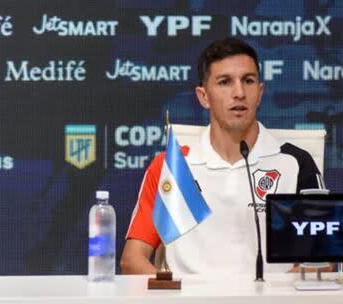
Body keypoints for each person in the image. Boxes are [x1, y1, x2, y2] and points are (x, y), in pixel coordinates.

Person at [120, 37, 323, 275]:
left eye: (248, 81)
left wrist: (275, 296)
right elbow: (132, 260)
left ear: (259, 92)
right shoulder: (173, 166)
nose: (238, 93)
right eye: (225, 82)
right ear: (203, 96)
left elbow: (319, 261)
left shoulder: (295, 163)